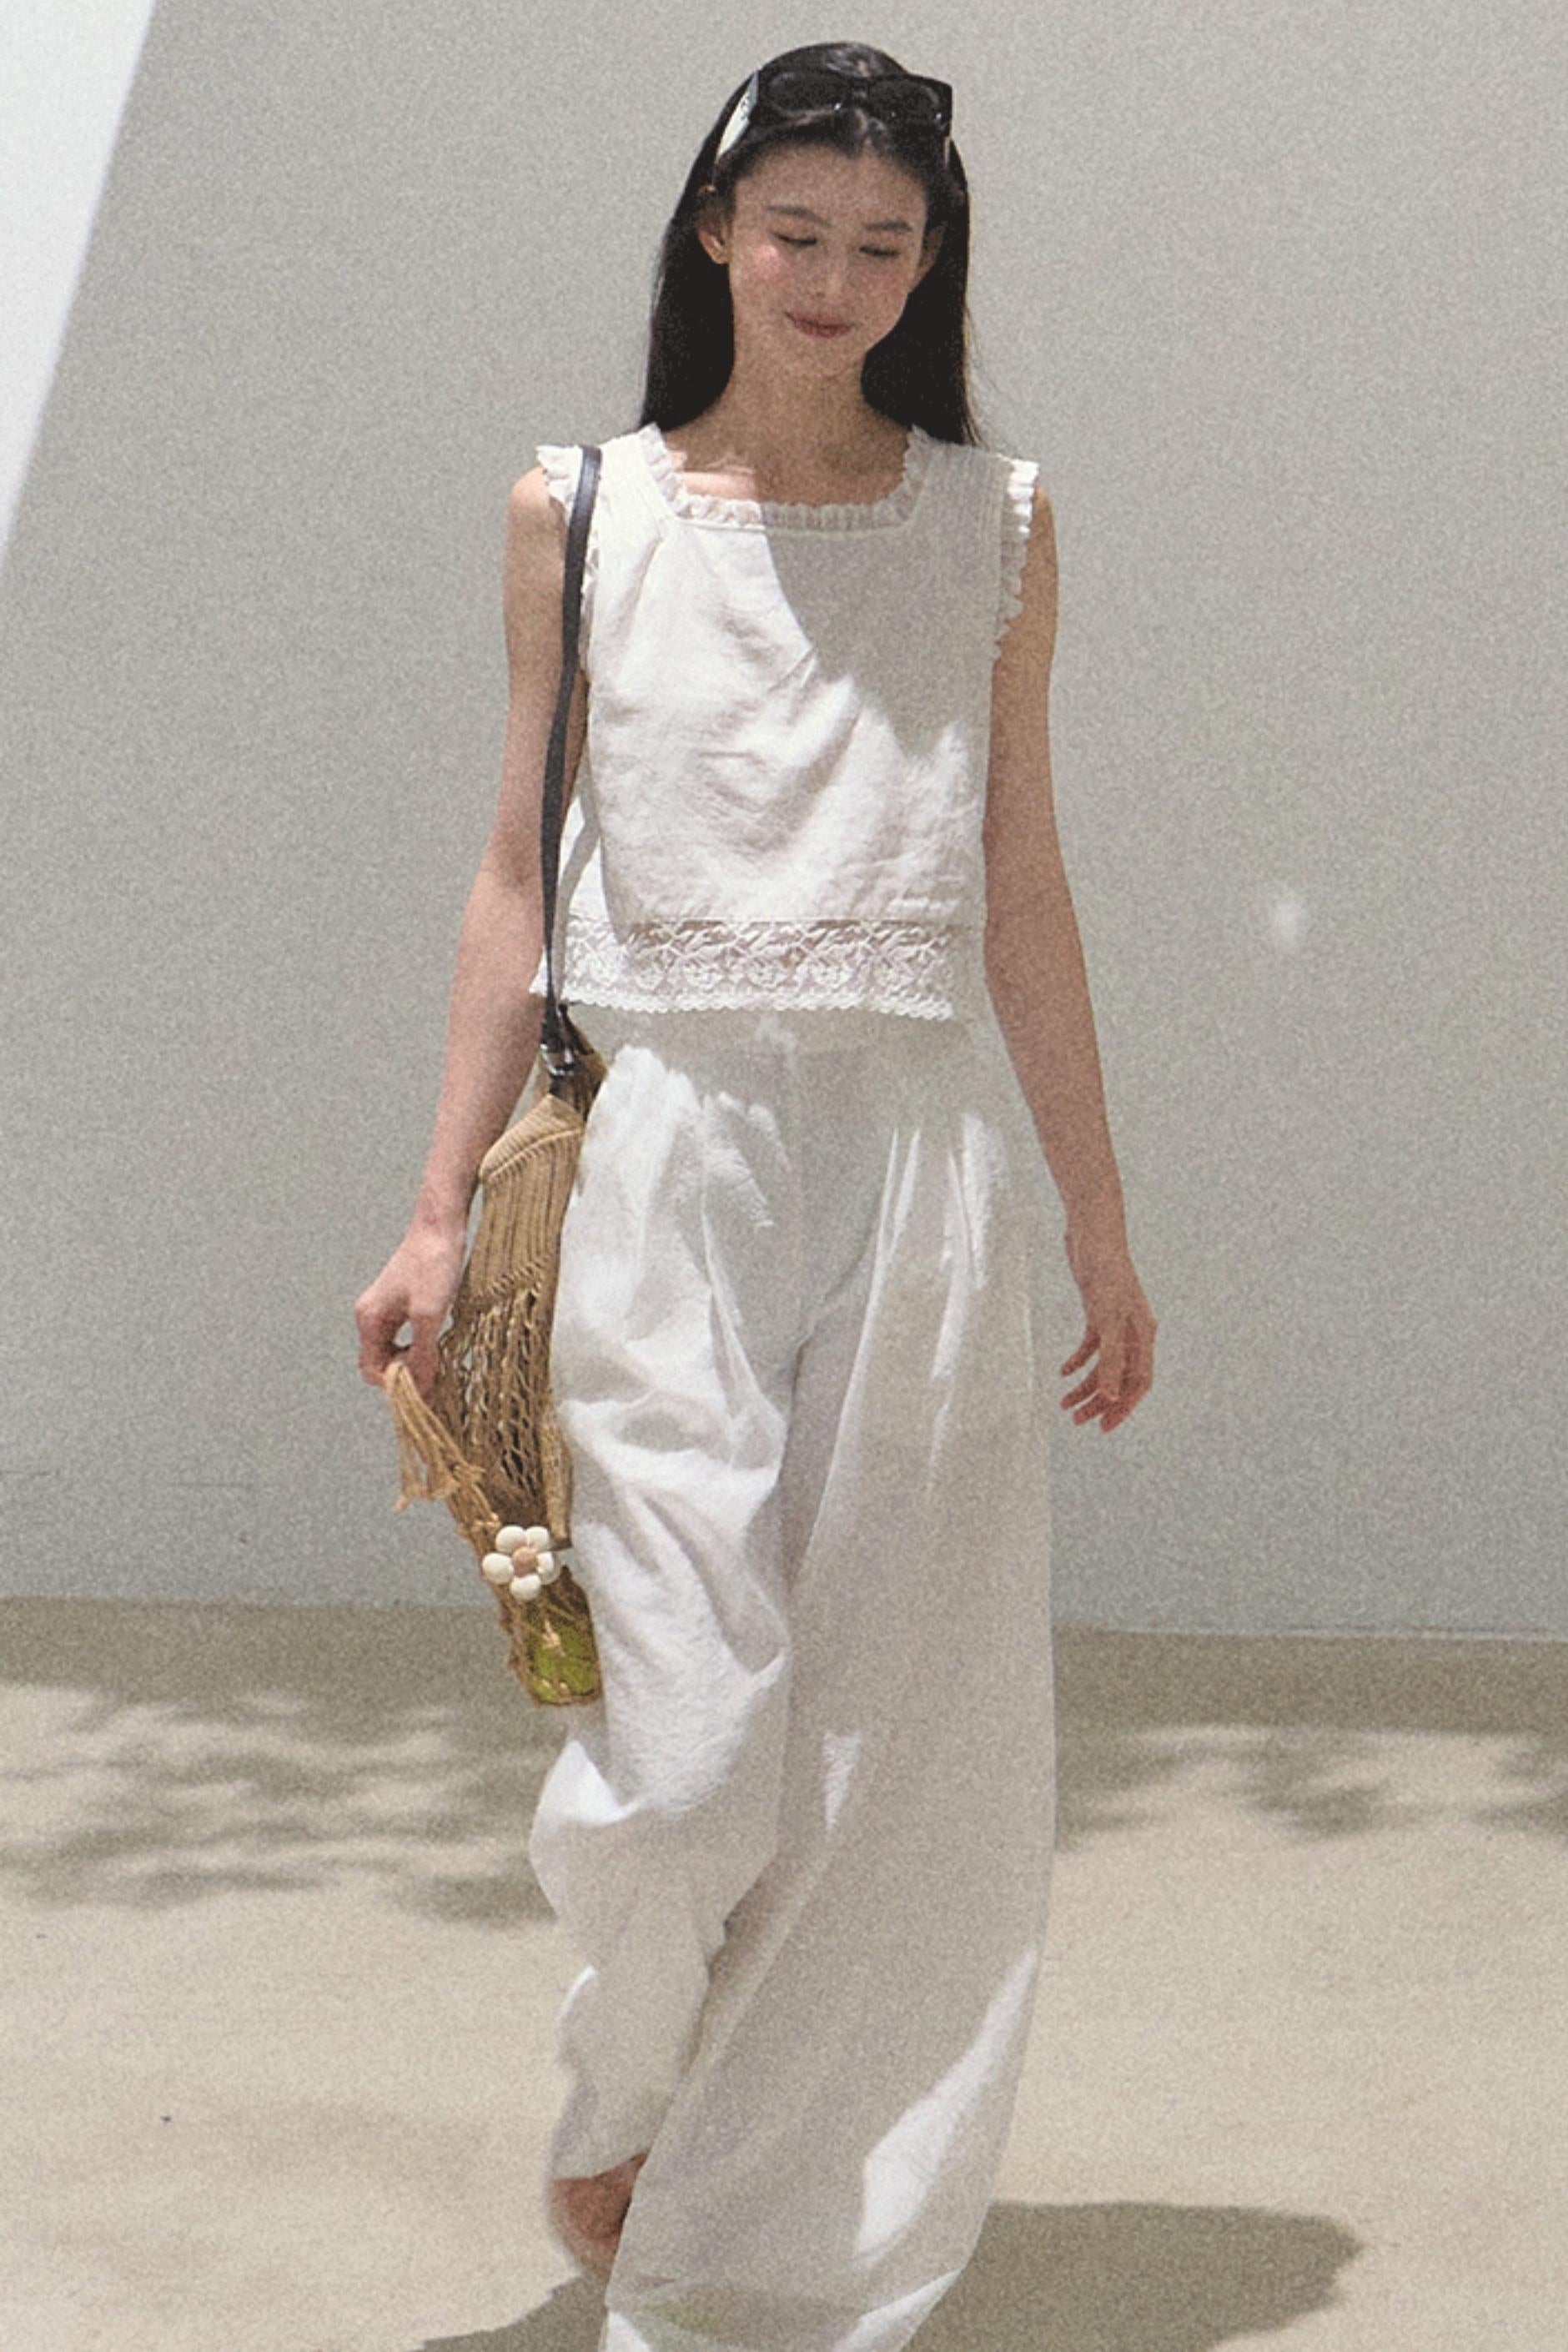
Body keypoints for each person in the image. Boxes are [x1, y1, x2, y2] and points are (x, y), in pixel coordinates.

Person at [355, 39, 1157, 2352]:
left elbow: (1019, 883)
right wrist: (435, 1212)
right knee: (691, 1743)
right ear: (715, 230)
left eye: (883, 244)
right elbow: (517, 878)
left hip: (920, 1169)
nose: (833, 278)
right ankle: (629, 2085)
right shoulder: (581, 509)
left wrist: (1101, 1221)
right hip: (663, 1163)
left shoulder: (994, 523)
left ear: (932, 264)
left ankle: (761, 2264)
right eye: (794, 230)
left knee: (894, 1756)